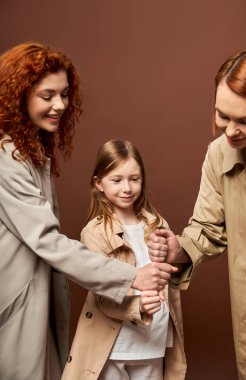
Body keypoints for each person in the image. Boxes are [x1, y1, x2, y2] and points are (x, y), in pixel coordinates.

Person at [0, 42, 175, 380]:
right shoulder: (8, 159)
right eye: (47, 95)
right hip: (15, 304)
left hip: (35, 301)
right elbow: (47, 241)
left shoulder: (30, 152)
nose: (60, 105)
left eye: (64, 94)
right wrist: (130, 276)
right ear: (19, 96)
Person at [148, 47, 246, 380]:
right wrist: (178, 248)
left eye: (245, 120)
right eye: (223, 115)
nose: (230, 129)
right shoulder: (220, 154)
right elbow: (207, 228)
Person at [62, 139, 186, 380]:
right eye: (116, 180)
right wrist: (137, 306)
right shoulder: (95, 232)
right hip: (115, 346)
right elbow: (102, 293)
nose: (127, 188)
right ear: (99, 183)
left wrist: (173, 254)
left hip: (154, 342)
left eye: (134, 179)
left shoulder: (157, 224)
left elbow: (173, 274)